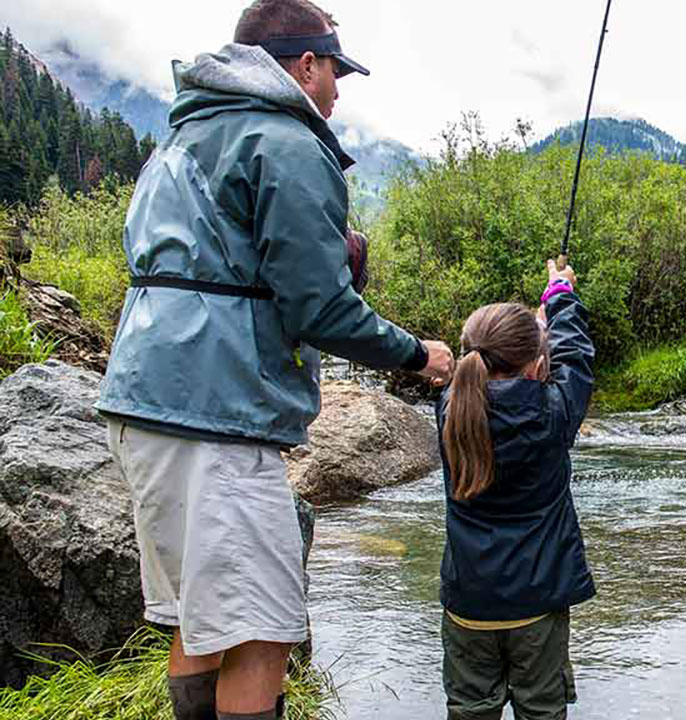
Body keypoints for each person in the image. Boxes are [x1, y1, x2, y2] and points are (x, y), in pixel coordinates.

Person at [95, 1, 453, 718]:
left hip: (144, 401)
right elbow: (319, 310)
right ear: (306, 64)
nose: (339, 92)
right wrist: (420, 354)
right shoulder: (283, 140)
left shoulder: (182, 136)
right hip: (216, 413)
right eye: (336, 72)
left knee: (200, 623)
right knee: (259, 635)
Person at [436, 259, 596, 720]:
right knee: (542, 712)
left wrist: (534, 335)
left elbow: (496, 367)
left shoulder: (451, 410)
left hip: (468, 605)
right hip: (536, 609)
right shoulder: (553, 414)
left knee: (469, 711)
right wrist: (560, 295)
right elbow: (576, 359)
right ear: (537, 363)